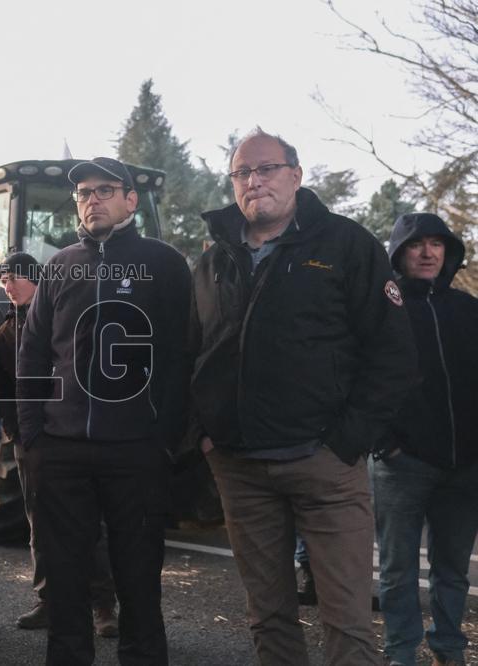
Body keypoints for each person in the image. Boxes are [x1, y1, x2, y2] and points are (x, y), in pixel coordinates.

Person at [189, 128, 417, 666]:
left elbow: (394, 354)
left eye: (267, 168)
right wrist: (201, 432)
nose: (254, 181)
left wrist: (348, 439)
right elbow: (190, 352)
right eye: (242, 172)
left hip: (325, 466)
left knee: (347, 619)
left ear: (296, 174)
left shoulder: (345, 245)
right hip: (240, 468)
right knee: (268, 616)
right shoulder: (215, 259)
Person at [17, 157, 192, 664]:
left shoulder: (164, 264)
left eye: (104, 190)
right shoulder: (60, 265)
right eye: (83, 193)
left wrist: (165, 438)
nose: (91, 199)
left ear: (130, 200)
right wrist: (34, 438)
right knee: (66, 582)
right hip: (62, 450)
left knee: (139, 579)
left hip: (136, 451)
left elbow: (183, 356)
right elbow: (33, 354)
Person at [0, 251, 118, 635]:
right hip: (33, 442)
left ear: (37, 278)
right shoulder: (4, 334)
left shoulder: (67, 319)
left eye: (15, 277)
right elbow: (3, 392)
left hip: (74, 435)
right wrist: (19, 435)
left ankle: (103, 606)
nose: (8, 286)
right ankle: (48, 599)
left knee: (90, 523)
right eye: (4, 280)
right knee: (40, 525)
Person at [373, 213, 478, 666]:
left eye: (437, 244)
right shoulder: (381, 310)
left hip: (466, 466)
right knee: (397, 571)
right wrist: (384, 442)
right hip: (402, 464)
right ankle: (400, 655)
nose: (428, 252)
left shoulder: (468, 308)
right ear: (399, 252)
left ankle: (449, 650)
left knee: (452, 571)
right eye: (418, 244)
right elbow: (358, 378)